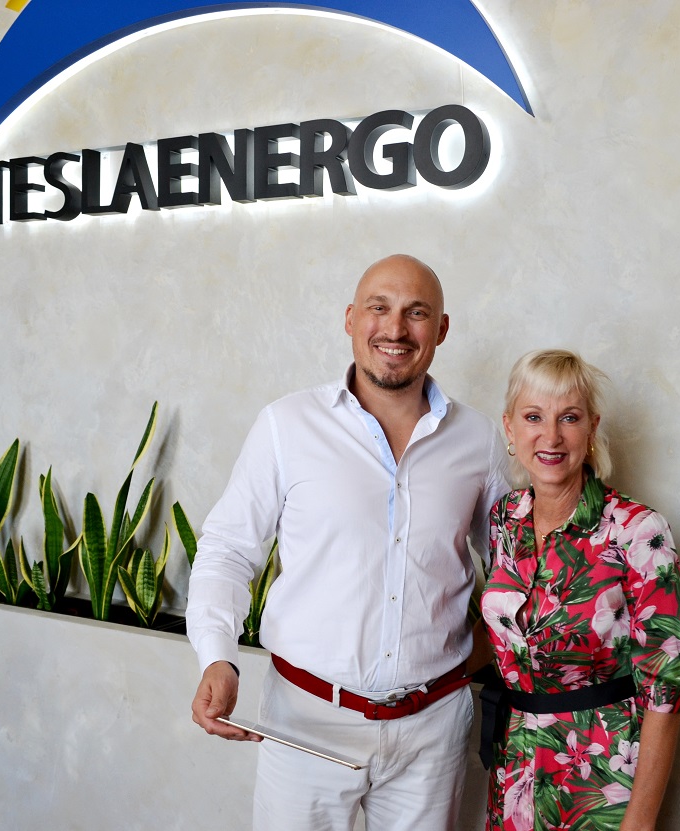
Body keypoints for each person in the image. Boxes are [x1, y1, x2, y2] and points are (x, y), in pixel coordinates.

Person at [186, 253, 510, 831]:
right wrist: (217, 656)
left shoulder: (479, 439)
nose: (395, 329)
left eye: (416, 313)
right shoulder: (287, 425)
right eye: (378, 308)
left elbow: (520, 569)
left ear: (441, 329)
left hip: (432, 732)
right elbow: (227, 551)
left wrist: (481, 652)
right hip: (305, 723)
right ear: (350, 319)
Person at [480, 349, 680, 831]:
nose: (551, 436)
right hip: (515, 771)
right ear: (510, 429)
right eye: (533, 417)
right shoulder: (505, 519)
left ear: (592, 428)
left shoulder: (637, 531)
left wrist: (639, 823)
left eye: (569, 418)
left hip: (602, 776)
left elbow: (667, 685)